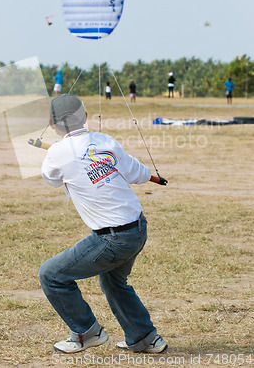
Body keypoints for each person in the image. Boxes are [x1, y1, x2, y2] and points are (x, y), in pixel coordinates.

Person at [39, 94, 168, 355]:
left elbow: (50, 178)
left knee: (51, 275)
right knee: (113, 282)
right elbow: (137, 172)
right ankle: (144, 338)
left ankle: (87, 332)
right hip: (137, 229)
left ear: (51, 124)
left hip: (113, 239)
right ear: (85, 118)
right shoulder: (105, 141)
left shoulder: (57, 153)